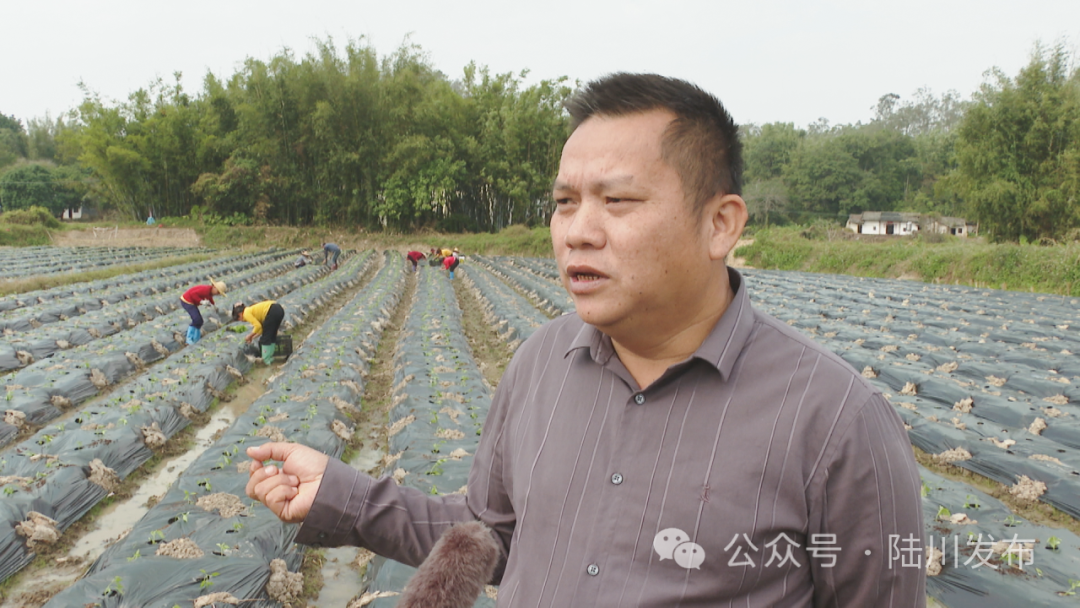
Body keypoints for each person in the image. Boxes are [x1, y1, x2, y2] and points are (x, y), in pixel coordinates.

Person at [246, 74, 926, 606]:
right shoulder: (542, 361)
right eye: (565, 202)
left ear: (720, 224)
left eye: (617, 201)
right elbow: (493, 533)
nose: (577, 230)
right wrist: (342, 495)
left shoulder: (837, 422)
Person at [232, 300, 285, 365]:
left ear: (239, 314)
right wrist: (252, 337)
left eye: (239, 319)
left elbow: (258, 326)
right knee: (271, 335)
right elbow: (261, 330)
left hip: (272, 311)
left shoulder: (246, 313)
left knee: (265, 339)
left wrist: (249, 336)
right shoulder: (249, 310)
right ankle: (270, 358)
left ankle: (266, 360)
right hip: (278, 309)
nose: (242, 321)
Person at [180, 279, 225, 344]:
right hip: (187, 301)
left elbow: (210, 298)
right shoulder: (205, 290)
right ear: (214, 287)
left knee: (200, 321)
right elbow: (193, 294)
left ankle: (196, 339)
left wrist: (214, 305)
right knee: (196, 319)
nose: (217, 294)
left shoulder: (209, 291)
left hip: (192, 302)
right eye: (218, 292)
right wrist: (201, 301)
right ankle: (189, 339)